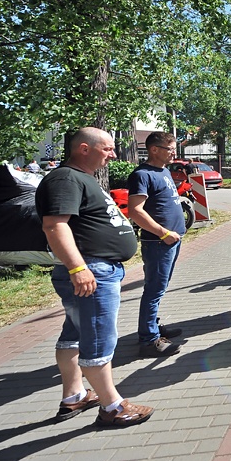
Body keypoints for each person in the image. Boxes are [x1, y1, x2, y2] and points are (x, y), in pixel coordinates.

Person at [35, 127, 153, 427]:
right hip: (90, 271)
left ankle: (74, 396)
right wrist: (77, 268)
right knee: (99, 339)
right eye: (108, 149)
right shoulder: (65, 178)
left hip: (94, 270)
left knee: (74, 334)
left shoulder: (82, 178)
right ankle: (112, 406)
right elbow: (55, 226)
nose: (113, 155)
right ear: (84, 149)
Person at [127, 131, 185, 358]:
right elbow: (136, 211)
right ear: (154, 149)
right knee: (154, 289)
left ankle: (153, 327)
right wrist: (163, 233)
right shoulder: (142, 174)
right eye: (170, 149)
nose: (174, 153)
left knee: (159, 289)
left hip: (172, 240)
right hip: (159, 242)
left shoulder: (164, 171)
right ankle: (149, 340)